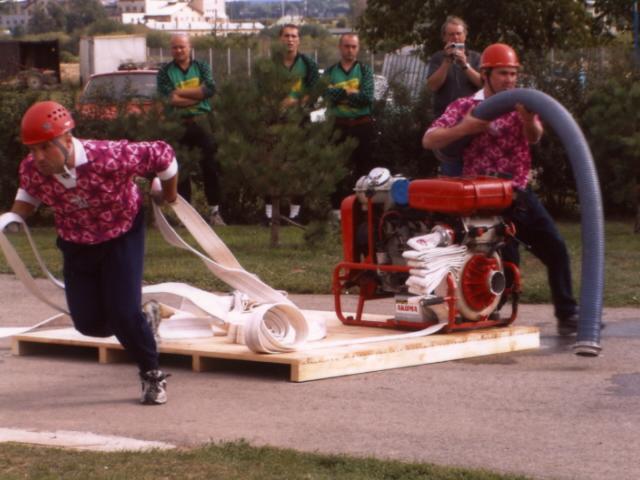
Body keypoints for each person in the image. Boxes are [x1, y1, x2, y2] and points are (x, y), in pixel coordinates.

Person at [7, 101, 178, 404]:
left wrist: (169, 194)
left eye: (45, 147)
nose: (38, 157)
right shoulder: (33, 169)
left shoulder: (109, 156)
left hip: (120, 234)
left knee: (122, 313)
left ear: (67, 139)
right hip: (76, 242)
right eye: (32, 149)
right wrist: (12, 218)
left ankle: (152, 373)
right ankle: (146, 319)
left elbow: (164, 155)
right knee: (88, 324)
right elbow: (29, 193)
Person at [421, 43, 579, 336]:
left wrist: (528, 120)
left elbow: (535, 137)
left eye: (513, 74)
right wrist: (465, 128)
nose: (510, 80)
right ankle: (484, 313)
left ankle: (568, 315)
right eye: (503, 74)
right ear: (485, 74)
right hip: (482, 199)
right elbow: (429, 139)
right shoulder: (466, 107)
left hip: (517, 193)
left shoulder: (523, 105)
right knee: (503, 261)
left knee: (555, 248)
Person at [157, 33, 225, 226]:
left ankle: (214, 212)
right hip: (178, 124)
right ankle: (185, 216)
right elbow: (169, 99)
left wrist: (179, 92)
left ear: (190, 47)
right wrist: (197, 97)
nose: (179, 50)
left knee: (210, 167)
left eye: (182, 46)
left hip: (202, 122)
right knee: (180, 170)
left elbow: (209, 90)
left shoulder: (202, 67)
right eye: (175, 47)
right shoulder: (165, 72)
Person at [263, 23, 320, 224]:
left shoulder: (308, 64)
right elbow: (262, 92)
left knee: (298, 168)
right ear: (280, 39)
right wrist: (275, 105)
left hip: (300, 121)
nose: (290, 39)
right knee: (272, 167)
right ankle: (269, 213)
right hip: (275, 120)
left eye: (294, 36)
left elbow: (314, 92)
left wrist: (293, 102)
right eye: (286, 36)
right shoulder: (269, 64)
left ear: (299, 40)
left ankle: (296, 213)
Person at [323, 33, 375, 217]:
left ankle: (363, 211)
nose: (350, 50)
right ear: (340, 47)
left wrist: (339, 92)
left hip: (362, 125)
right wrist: (350, 91)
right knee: (336, 169)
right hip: (338, 125)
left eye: (353, 46)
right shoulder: (330, 72)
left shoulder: (365, 70)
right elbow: (327, 96)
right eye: (346, 46)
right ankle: (337, 211)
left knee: (364, 170)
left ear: (358, 48)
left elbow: (366, 97)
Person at [425, 16, 482, 176]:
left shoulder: (476, 58)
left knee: (475, 176)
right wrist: (446, 62)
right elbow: (433, 85)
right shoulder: (438, 58)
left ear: (465, 35)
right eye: (451, 34)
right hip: (447, 127)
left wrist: (465, 65)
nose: (455, 38)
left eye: (458, 33)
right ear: (444, 37)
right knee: (452, 176)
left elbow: (483, 84)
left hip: (473, 124)